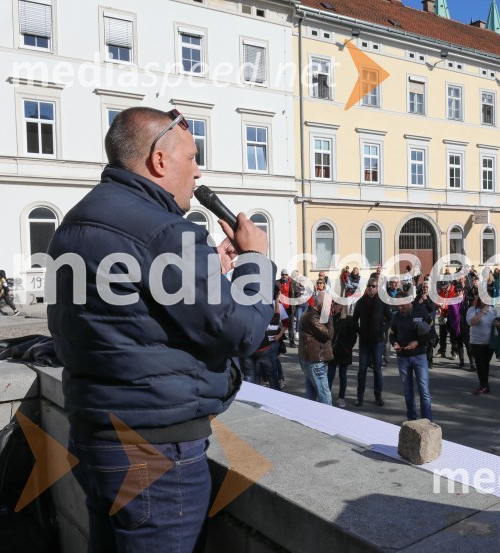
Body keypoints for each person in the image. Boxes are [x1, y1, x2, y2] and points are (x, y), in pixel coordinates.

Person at [47, 107, 273, 552]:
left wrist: (211, 277)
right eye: (191, 157)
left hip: (96, 434)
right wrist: (255, 263)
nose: (198, 170)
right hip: (155, 450)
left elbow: (128, 322)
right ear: (159, 160)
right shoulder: (166, 231)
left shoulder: (75, 223)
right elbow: (242, 330)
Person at [390, 291, 434, 420]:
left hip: (419, 356)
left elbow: (432, 334)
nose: (399, 307)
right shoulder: (396, 316)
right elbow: (392, 335)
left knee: (424, 392)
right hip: (403, 358)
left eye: (401, 304)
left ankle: (427, 421)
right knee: (408, 393)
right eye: (397, 305)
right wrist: (395, 343)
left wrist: (418, 342)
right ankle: (412, 420)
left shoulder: (421, 311)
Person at [353, 278, 392, 407]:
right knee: (362, 370)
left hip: (377, 341)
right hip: (364, 341)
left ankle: (378, 396)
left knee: (377, 370)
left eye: (373, 286)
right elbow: (354, 319)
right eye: (369, 286)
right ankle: (360, 396)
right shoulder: (361, 302)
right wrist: (359, 330)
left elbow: (391, 319)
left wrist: (383, 329)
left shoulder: (382, 302)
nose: (371, 288)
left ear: (377, 288)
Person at [241, 299, 288, 389]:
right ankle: (272, 390)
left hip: (254, 344)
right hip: (261, 345)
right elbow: (276, 318)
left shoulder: (247, 306)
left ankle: (249, 395)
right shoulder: (263, 307)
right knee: (270, 373)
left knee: (251, 374)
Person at [298, 291, 333, 405]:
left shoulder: (311, 314)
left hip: (311, 360)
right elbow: (328, 334)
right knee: (325, 396)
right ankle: (328, 420)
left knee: (311, 394)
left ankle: (310, 418)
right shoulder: (311, 316)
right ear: (322, 306)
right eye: (329, 305)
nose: (330, 307)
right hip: (315, 361)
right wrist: (329, 317)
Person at [327, 302, 358, 408]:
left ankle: (341, 397)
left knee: (342, 375)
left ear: (341, 306)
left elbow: (353, 336)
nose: (333, 306)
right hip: (333, 351)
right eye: (333, 304)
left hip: (344, 352)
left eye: (335, 304)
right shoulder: (331, 319)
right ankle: (327, 396)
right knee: (330, 374)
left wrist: (347, 348)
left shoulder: (349, 319)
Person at [467, 294, 499, 394]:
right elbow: (472, 322)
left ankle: (485, 385)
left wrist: (499, 324)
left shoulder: (493, 310)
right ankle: (484, 385)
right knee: (480, 364)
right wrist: (482, 312)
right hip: (476, 342)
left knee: (485, 364)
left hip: (490, 342)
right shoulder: (472, 310)